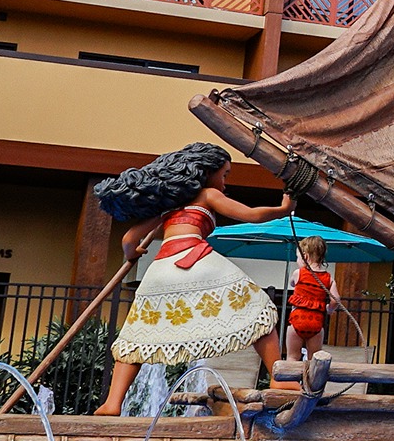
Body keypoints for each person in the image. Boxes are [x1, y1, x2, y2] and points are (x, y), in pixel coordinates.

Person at [91, 142, 296, 415]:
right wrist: (284, 208)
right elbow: (250, 215)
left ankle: (112, 403)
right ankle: (278, 378)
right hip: (197, 260)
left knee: (135, 337)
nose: (225, 183)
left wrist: (134, 254)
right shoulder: (207, 194)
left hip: (161, 268)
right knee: (260, 310)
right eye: (224, 175)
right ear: (207, 172)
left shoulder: (170, 205)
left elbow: (128, 239)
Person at [285, 235, 344, 362]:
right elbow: (336, 298)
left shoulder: (299, 273)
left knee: (292, 357)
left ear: (305, 256)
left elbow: (292, 283)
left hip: (297, 320)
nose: (297, 260)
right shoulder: (328, 278)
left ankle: (291, 382)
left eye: (298, 257)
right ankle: (310, 382)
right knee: (314, 360)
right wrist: (329, 309)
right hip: (316, 323)